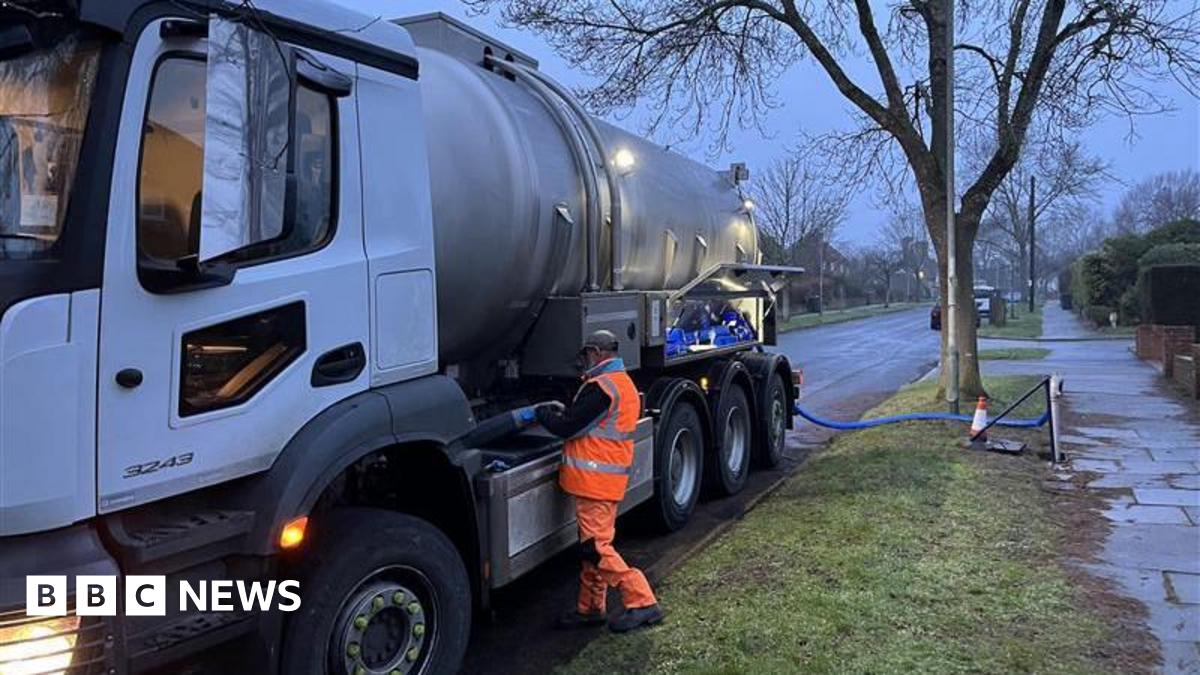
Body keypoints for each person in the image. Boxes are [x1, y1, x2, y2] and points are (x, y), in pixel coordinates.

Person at [535, 330, 664, 633]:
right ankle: (590, 608)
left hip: (595, 482)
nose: (582, 362)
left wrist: (541, 414)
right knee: (591, 548)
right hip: (603, 481)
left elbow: (567, 426)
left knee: (596, 548)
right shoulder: (623, 385)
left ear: (595, 352)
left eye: (585, 355)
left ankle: (641, 600)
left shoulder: (602, 388)